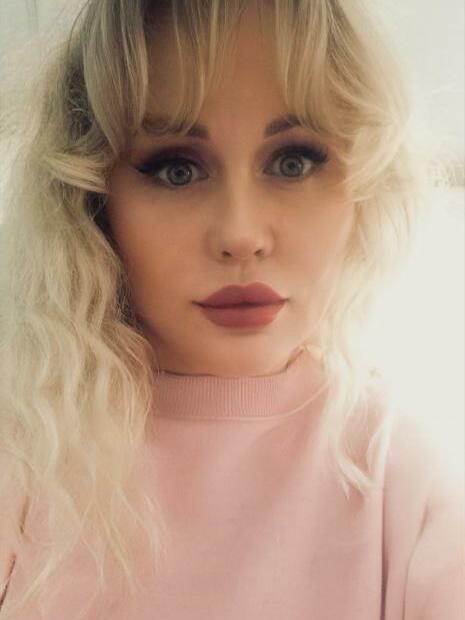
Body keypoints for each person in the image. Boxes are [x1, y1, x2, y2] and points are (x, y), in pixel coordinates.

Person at [0, 0, 463, 618]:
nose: (241, 235)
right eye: (177, 170)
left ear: (364, 181)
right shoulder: (24, 456)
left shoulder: (412, 487)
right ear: (91, 198)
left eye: (293, 161)